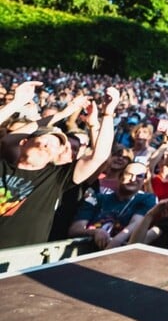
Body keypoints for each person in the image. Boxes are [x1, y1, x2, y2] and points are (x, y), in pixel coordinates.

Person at [0, 82, 119, 249]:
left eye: (56, 145)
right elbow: (7, 139)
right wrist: (17, 103)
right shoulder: (3, 165)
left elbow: (100, 156)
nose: (49, 145)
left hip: (16, 262)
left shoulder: (56, 178)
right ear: (24, 142)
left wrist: (108, 114)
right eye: (46, 139)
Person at [67, 160, 156, 249]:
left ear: (144, 180)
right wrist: (95, 232)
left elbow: (136, 223)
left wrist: (113, 244)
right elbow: (75, 229)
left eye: (139, 176)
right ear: (120, 177)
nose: (133, 179)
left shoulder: (147, 199)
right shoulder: (96, 198)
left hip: (118, 252)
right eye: (129, 174)